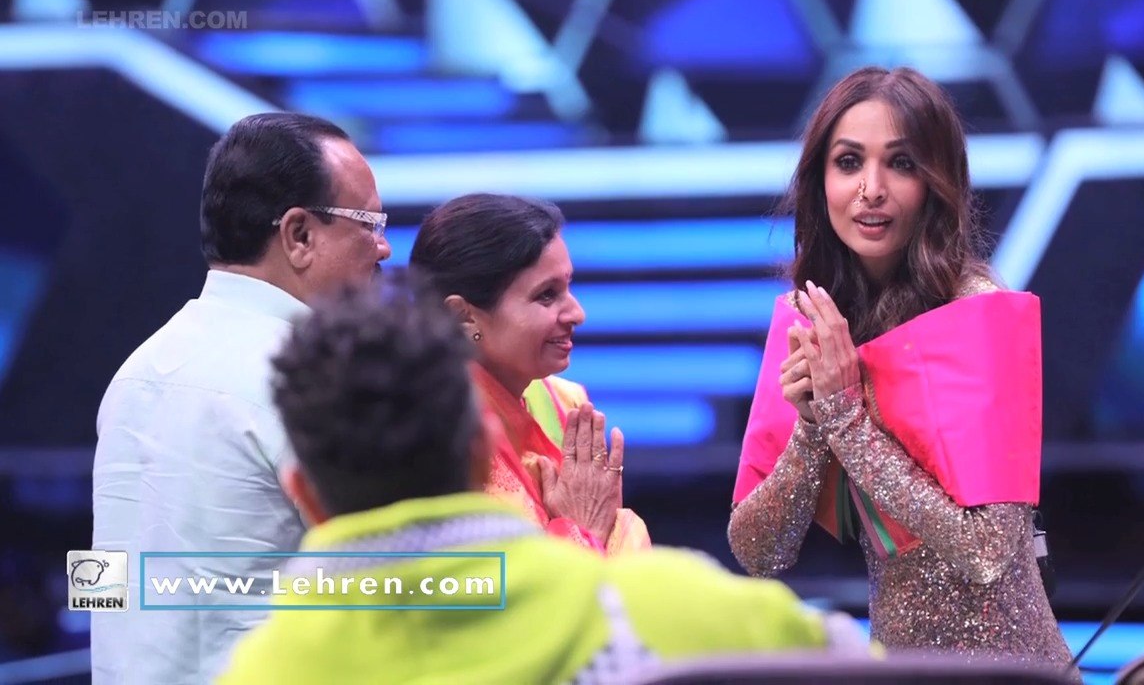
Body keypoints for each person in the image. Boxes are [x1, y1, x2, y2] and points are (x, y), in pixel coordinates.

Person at [217, 275, 869, 684]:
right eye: (547, 294)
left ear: (304, 495)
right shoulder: (675, 612)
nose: (573, 313)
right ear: (484, 449)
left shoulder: (259, 671)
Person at [727, 67, 1076, 673]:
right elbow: (758, 551)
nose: (872, 189)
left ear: (936, 182)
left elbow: (986, 549)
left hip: (1011, 672)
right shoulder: (815, 318)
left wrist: (845, 416)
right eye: (848, 162)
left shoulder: (979, 312)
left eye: (902, 164)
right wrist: (812, 426)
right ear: (820, 181)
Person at [91, 112, 391, 684]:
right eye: (369, 223)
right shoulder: (312, 378)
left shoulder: (135, 372)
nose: (383, 248)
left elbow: (106, 589)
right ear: (299, 235)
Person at [410, 194, 649, 554]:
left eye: (568, 287)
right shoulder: (422, 431)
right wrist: (583, 532)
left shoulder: (569, 404)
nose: (577, 313)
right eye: (546, 296)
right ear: (463, 315)